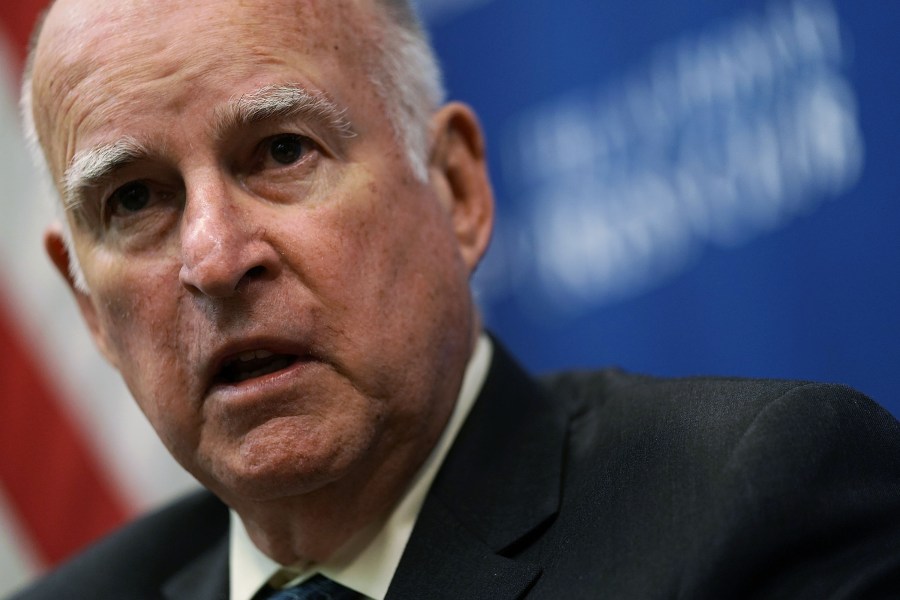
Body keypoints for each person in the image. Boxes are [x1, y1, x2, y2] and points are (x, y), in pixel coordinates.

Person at [11, 0, 900, 598]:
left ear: (457, 189)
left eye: (281, 152)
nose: (212, 257)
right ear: (88, 309)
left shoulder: (756, 507)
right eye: (133, 200)